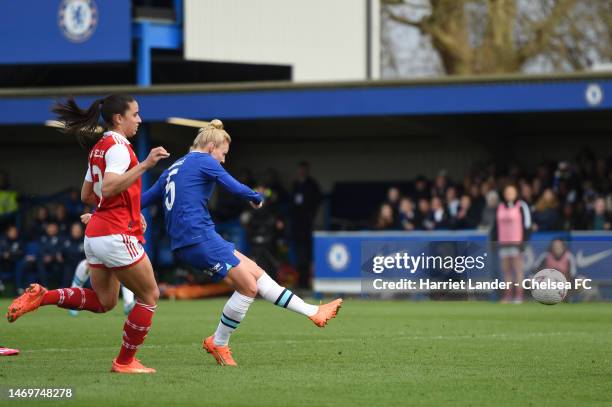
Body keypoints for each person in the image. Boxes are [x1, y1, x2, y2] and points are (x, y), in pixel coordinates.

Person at [141, 120, 342, 366]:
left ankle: (313, 312)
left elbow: (143, 199)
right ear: (212, 146)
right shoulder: (204, 160)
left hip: (200, 237)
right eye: (223, 154)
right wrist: (255, 197)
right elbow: (231, 184)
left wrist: (105, 212)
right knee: (248, 288)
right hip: (197, 239)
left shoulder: (172, 168)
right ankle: (219, 342)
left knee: (257, 274)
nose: (223, 160)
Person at [6, 94, 169, 374]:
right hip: (116, 234)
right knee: (149, 295)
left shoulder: (100, 146)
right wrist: (145, 165)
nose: (139, 119)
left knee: (105, 301)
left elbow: (87, 194)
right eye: (135, 114)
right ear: (119, 118)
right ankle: (125, 362)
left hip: (97, 233)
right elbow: (108, 188)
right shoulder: (119, 146)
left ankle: (42, 296)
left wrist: (129, 210)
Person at [491, 184, 532, 303]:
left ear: (516, 193)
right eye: (507, 192)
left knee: (517, 269)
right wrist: (494, 240)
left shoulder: (521, 206)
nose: (509, 194)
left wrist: (524, 242)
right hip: (503, 242)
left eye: (511, 192)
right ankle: (508, 296)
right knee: (506, 270)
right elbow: (495, 226)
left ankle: (519, 296)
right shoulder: (500, 207)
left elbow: (527, 225)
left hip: (517, 242)